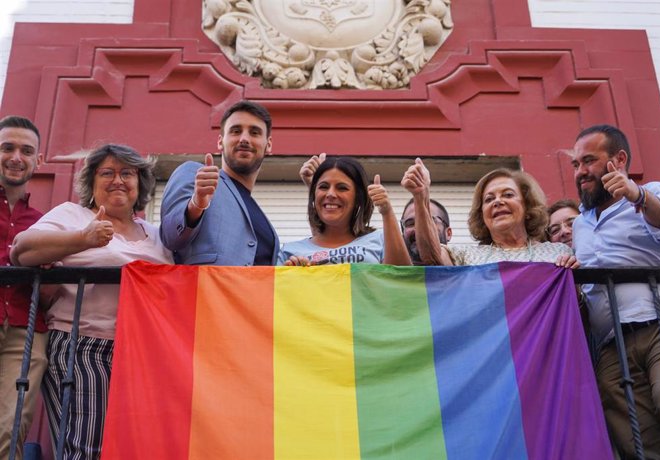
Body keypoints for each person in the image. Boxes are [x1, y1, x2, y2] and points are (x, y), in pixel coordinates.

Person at [10, 144, 173, 459]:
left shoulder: (155, 234)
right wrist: (83, 239)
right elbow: (22, 250)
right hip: (81, 345)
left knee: (133, 446)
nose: (118, 180)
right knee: (88, 447)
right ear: (92, 181)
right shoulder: (72, 215)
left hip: (139, 354)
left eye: (127, 173)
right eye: (107, 173)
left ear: (140, 182)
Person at [570, 124, 660, 460]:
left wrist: (636, 195)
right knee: (632, 433)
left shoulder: (653, 191)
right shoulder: (579, 225)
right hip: (611, 344)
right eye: (576, 165)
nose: (580, 172)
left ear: (618, 159)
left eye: (588, 161)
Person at [160, 100, 279, 266]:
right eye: (236, 131)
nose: (244, 139)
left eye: (254, 132)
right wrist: (196, 205)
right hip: (204, 290)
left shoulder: (264, 223)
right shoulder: (195, 175)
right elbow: (169, 237)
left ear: (269, 145)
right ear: (220, 142)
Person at [402, 158, 577, 267]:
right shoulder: (466, 256)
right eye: (489, 199)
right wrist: (420, 196)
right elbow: (430, 255)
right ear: (482, 215)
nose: (498, 202)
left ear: (527, 206)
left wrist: (574, 286)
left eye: (508, 195)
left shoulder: (558, 252)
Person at [0, 116, 46, 460]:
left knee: (10, 427)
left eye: (26, 150)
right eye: (7, 147)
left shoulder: (45, 222)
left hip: (24, 331)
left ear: (38, 161)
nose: (17, 156)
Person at [279, 156, 411, 266]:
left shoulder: (380, 240)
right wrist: (290, 275)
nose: (330, 194)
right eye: (323, 187)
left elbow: (402, 282)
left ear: (358, 198)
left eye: (342, 188)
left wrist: (387, 211)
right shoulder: (289, 252)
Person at [400, 198, 453, 265]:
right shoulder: (390, 271)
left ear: (448, 233)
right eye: (410, 223)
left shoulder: (465, 272)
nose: (419, 229)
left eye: (428, 221)